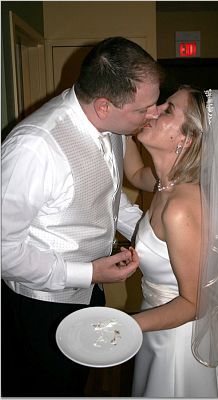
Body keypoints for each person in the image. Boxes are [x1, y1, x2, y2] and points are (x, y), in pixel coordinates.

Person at [1, 36, 166, 397]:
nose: (153, 114)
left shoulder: (113, 127)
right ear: (104, 105)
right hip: (39, 307)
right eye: (145, 109)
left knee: (76, 383)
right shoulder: (33, 149)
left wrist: (151, 232)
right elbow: (4, 252)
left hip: (90, 291)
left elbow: (106, 196)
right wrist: (89, 271)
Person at [124, 85, 218, 397]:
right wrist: (123, 122)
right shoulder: (163, 183)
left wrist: (126, 325)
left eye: (167, 110)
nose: (153, 111)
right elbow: (134, 171)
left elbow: (195, 303)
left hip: (179, 341)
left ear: (186, 139)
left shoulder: (181, 207)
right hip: (159, 325)